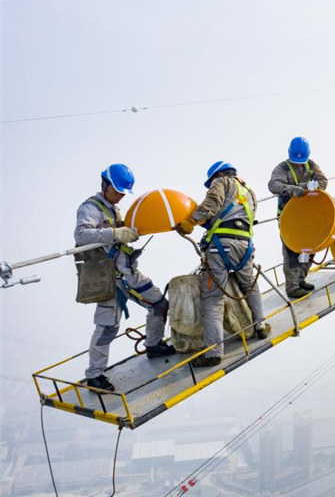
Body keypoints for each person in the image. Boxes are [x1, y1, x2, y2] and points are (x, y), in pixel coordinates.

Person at [74, 164, 175, 392]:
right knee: (107, 328)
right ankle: (95, 376)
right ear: (105, 184)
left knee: (160, 304)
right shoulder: (91, 208)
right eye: (117, 190)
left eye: (122, 192)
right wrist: (115, 233)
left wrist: (129, 235)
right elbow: (81, 234)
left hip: (128, 272)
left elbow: (117, 239)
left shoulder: (114, 209)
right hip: (108, 278)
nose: (120, 195)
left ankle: (153, 345)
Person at [176, 161, 268, 368]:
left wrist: (192, 221)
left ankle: (214, 352)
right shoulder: (250, 193)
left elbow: (212, 203)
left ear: (216, 175)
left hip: (220, 247)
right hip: (245, 247)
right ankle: (260, 325)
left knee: (213, 300)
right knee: (249, 285)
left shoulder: (221, 183)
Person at [268, 136, 329, 298]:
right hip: (289, 217)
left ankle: (301, 279)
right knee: (292, 251)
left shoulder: (311, 165)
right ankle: (292, 286)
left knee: (310, 248)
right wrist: (292, 189)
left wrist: (313, 187)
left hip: (308, 217)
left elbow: (323, 181)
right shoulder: (282, 168)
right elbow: (273, 185)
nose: (300, 163)